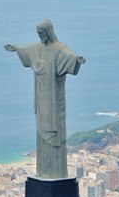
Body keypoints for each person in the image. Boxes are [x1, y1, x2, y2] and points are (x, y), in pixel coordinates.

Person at [5, 20, 85, 179]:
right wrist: (16, 49)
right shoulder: (38, 49)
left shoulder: (59, 49)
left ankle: (56, 172)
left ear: (49, 32)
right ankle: (44, 170)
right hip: (41, 99)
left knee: (55, 133)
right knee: (41, 133)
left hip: (54, 100)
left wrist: (77, 60)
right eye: (38, 34)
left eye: (41, 33)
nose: (39, 36)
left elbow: (70, 59)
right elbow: (27, 51)